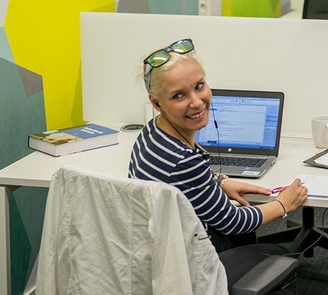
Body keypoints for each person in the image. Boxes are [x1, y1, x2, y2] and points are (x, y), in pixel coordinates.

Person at [128, 38, 308, 251]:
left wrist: (218, 182)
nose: (196, 102)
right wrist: (283, 205)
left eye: (199, 86)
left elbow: (180, 182)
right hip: (190, 259)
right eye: (179, 95)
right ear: (156, 102)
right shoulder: (183, 160)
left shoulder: (152, 130)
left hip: (163, 244)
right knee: (276, 253)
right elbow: (234, 222)